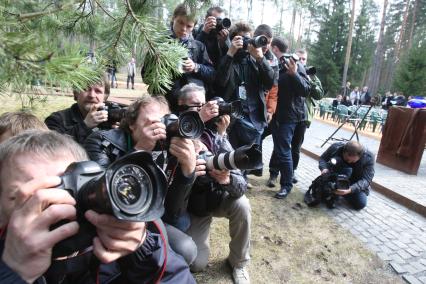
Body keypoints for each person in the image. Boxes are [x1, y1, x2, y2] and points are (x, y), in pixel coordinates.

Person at [0, 130, 195, 283]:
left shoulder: (113, 249)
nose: (53, 206)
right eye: (27, 196)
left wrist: (144, 256)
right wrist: (14, 271)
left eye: (67, 187)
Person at [84, 96, 198, 266]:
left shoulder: (172, 147)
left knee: (188, 251)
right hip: (112, 219)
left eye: (163, 122)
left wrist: (188, 170)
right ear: (132, 124)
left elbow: (173, 211)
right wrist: (140, 150)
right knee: (178, 251)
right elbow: (100, 193)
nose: (159, 129)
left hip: (152, 215)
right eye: (151, 123)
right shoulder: (102, 141)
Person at [177, 83, 251, 284]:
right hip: (190, 209)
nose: (203, 110)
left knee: (242, 204)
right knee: (196, 263)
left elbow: (241, 184)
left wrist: (226, 179)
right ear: (180, 105)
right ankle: (199, 236)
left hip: (213, 198)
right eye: (196, 106)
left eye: (204, 105)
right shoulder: (172, 132)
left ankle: (239, 263)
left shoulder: (214, 137)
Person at [216, 22, 274, 181]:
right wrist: (230, 52)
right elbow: (221, 81)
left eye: (247, 39)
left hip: (254, 122)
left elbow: (270, 82)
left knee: (247, 160)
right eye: (240, 39)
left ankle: (241, 183)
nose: (244, 43)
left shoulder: (256, 60)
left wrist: (260, 58)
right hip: (234, 121)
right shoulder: (229, 57)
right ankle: (229, 184)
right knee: (231, 158)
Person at [267, 48, 324, 187]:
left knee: (295, 148)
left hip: (302, 117)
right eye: (299, 58)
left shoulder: (306, 73)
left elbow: (311, 92)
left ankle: (290, 174)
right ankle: (274, 174)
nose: (300, 61)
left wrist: (297, 74)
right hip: (282, 115)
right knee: (280, 147)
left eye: (304, 59)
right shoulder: (281, 68)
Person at [270, 37, 311, 199]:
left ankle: (286, 185)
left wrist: (294, 74)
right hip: (273, 113)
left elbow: (306, 90)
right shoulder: (273, 64)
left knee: (284, 150)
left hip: (290, 117)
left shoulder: (296, 65)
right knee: (272, 144)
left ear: (276, 49)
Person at [160, 4, 216, 111]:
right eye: (180, 22)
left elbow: (212, 74)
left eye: (189, 26)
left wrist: (196, 67)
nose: (183, 29)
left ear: (194, 26)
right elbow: (146, 76)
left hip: (195, 106)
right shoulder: (160, 44)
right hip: (168, 104)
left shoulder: (199, 47)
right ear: (173, 19)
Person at [45, 76, 110, 144]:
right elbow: (51, 147)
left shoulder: (109, 120)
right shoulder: (56, 120)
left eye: (98, 91)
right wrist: (85, 126)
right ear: (76, 93)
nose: (92, 95)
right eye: (86, 89)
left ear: (105, 97)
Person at [318, 141, 374, 210]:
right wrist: (324, 168)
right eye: (347, 159)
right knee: (320, 193)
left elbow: (366, 180)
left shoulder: (368, 158)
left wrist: (350, 189)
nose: (349, 162)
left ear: (360, 156)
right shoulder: (336, 147)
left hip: (354, 182)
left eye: (353, 161)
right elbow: (322, 159)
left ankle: (339, 192)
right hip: (336, 175)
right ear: (343, 151)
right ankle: (334, 189)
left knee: (360, 203)